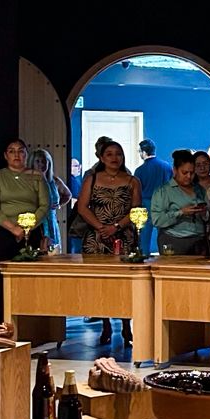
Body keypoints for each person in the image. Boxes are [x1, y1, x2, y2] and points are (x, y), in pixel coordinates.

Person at [77, 142, 140, 344]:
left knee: (124, 284)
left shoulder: (132, 181)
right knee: (101, 283)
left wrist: (116, 226)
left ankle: (126, 326)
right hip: (96, 238)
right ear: (102, 158)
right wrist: (101, 227)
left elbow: (136, 210)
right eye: (109, 154)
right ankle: (105, 325)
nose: (114, 158)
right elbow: (82, 207)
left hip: (124, 236)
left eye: (118, 154)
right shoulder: (92, 179)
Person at [0, 139, 51, 263]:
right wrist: (13, 228)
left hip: (32, 231)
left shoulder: (37, 176)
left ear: (26, 154)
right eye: (12, 151)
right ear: (6, 156)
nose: (16, 155)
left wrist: (27, 228)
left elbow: (45, 205)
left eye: (20, 151)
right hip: (4, 231)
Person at [150, 150, 210, 256]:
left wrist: (204, 213)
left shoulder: (199, 189)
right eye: (184, 173)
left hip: (199, 241)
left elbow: (209, 215)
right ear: (175, 170)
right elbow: (157, 220)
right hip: (174, 241)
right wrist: (181, 212)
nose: (189, 176)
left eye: (192, 173)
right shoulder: (164, 191)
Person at [29, 147, 72, 252]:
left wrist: (59, 205)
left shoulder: (54, 181)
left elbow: (68, 195)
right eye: (38, 161)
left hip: (52, 221)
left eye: (44, 161)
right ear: (32, 163)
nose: (41, 164)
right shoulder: (28, 181)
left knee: (53, 252)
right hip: (37, 222)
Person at [134, 140, 172, 256]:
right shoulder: (166, 167)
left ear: (144, 152)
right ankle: (166, 255)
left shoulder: (140, 170)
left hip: (147, 203)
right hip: (164, 203)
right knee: (165, 232)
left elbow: (137, 191)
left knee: (145, 233)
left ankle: (144, 255)